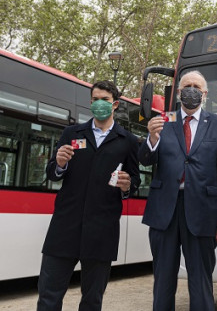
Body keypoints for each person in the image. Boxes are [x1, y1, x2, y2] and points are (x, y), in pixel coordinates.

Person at [37, 80, 141, 311]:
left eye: (104, 99)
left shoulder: (128, 141)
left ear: (115, 104)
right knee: (48, 296)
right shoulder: (72, 133)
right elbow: (52, 173)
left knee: (92, 300)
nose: (99, 104)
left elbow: (135, 181)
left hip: (102, 231)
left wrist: (127, 185)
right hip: (64, 228)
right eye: (95, 99)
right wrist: (60, 163)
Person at [139, 70, 217, 311]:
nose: (191, 90)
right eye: (186, 86)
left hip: (203, 211)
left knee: (201, 281)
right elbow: (145, 160)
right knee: (163, 280)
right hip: (165, 212)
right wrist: (151, 137)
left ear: (204, 94)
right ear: (179, 93)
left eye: (196, 86)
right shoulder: (163, 121)